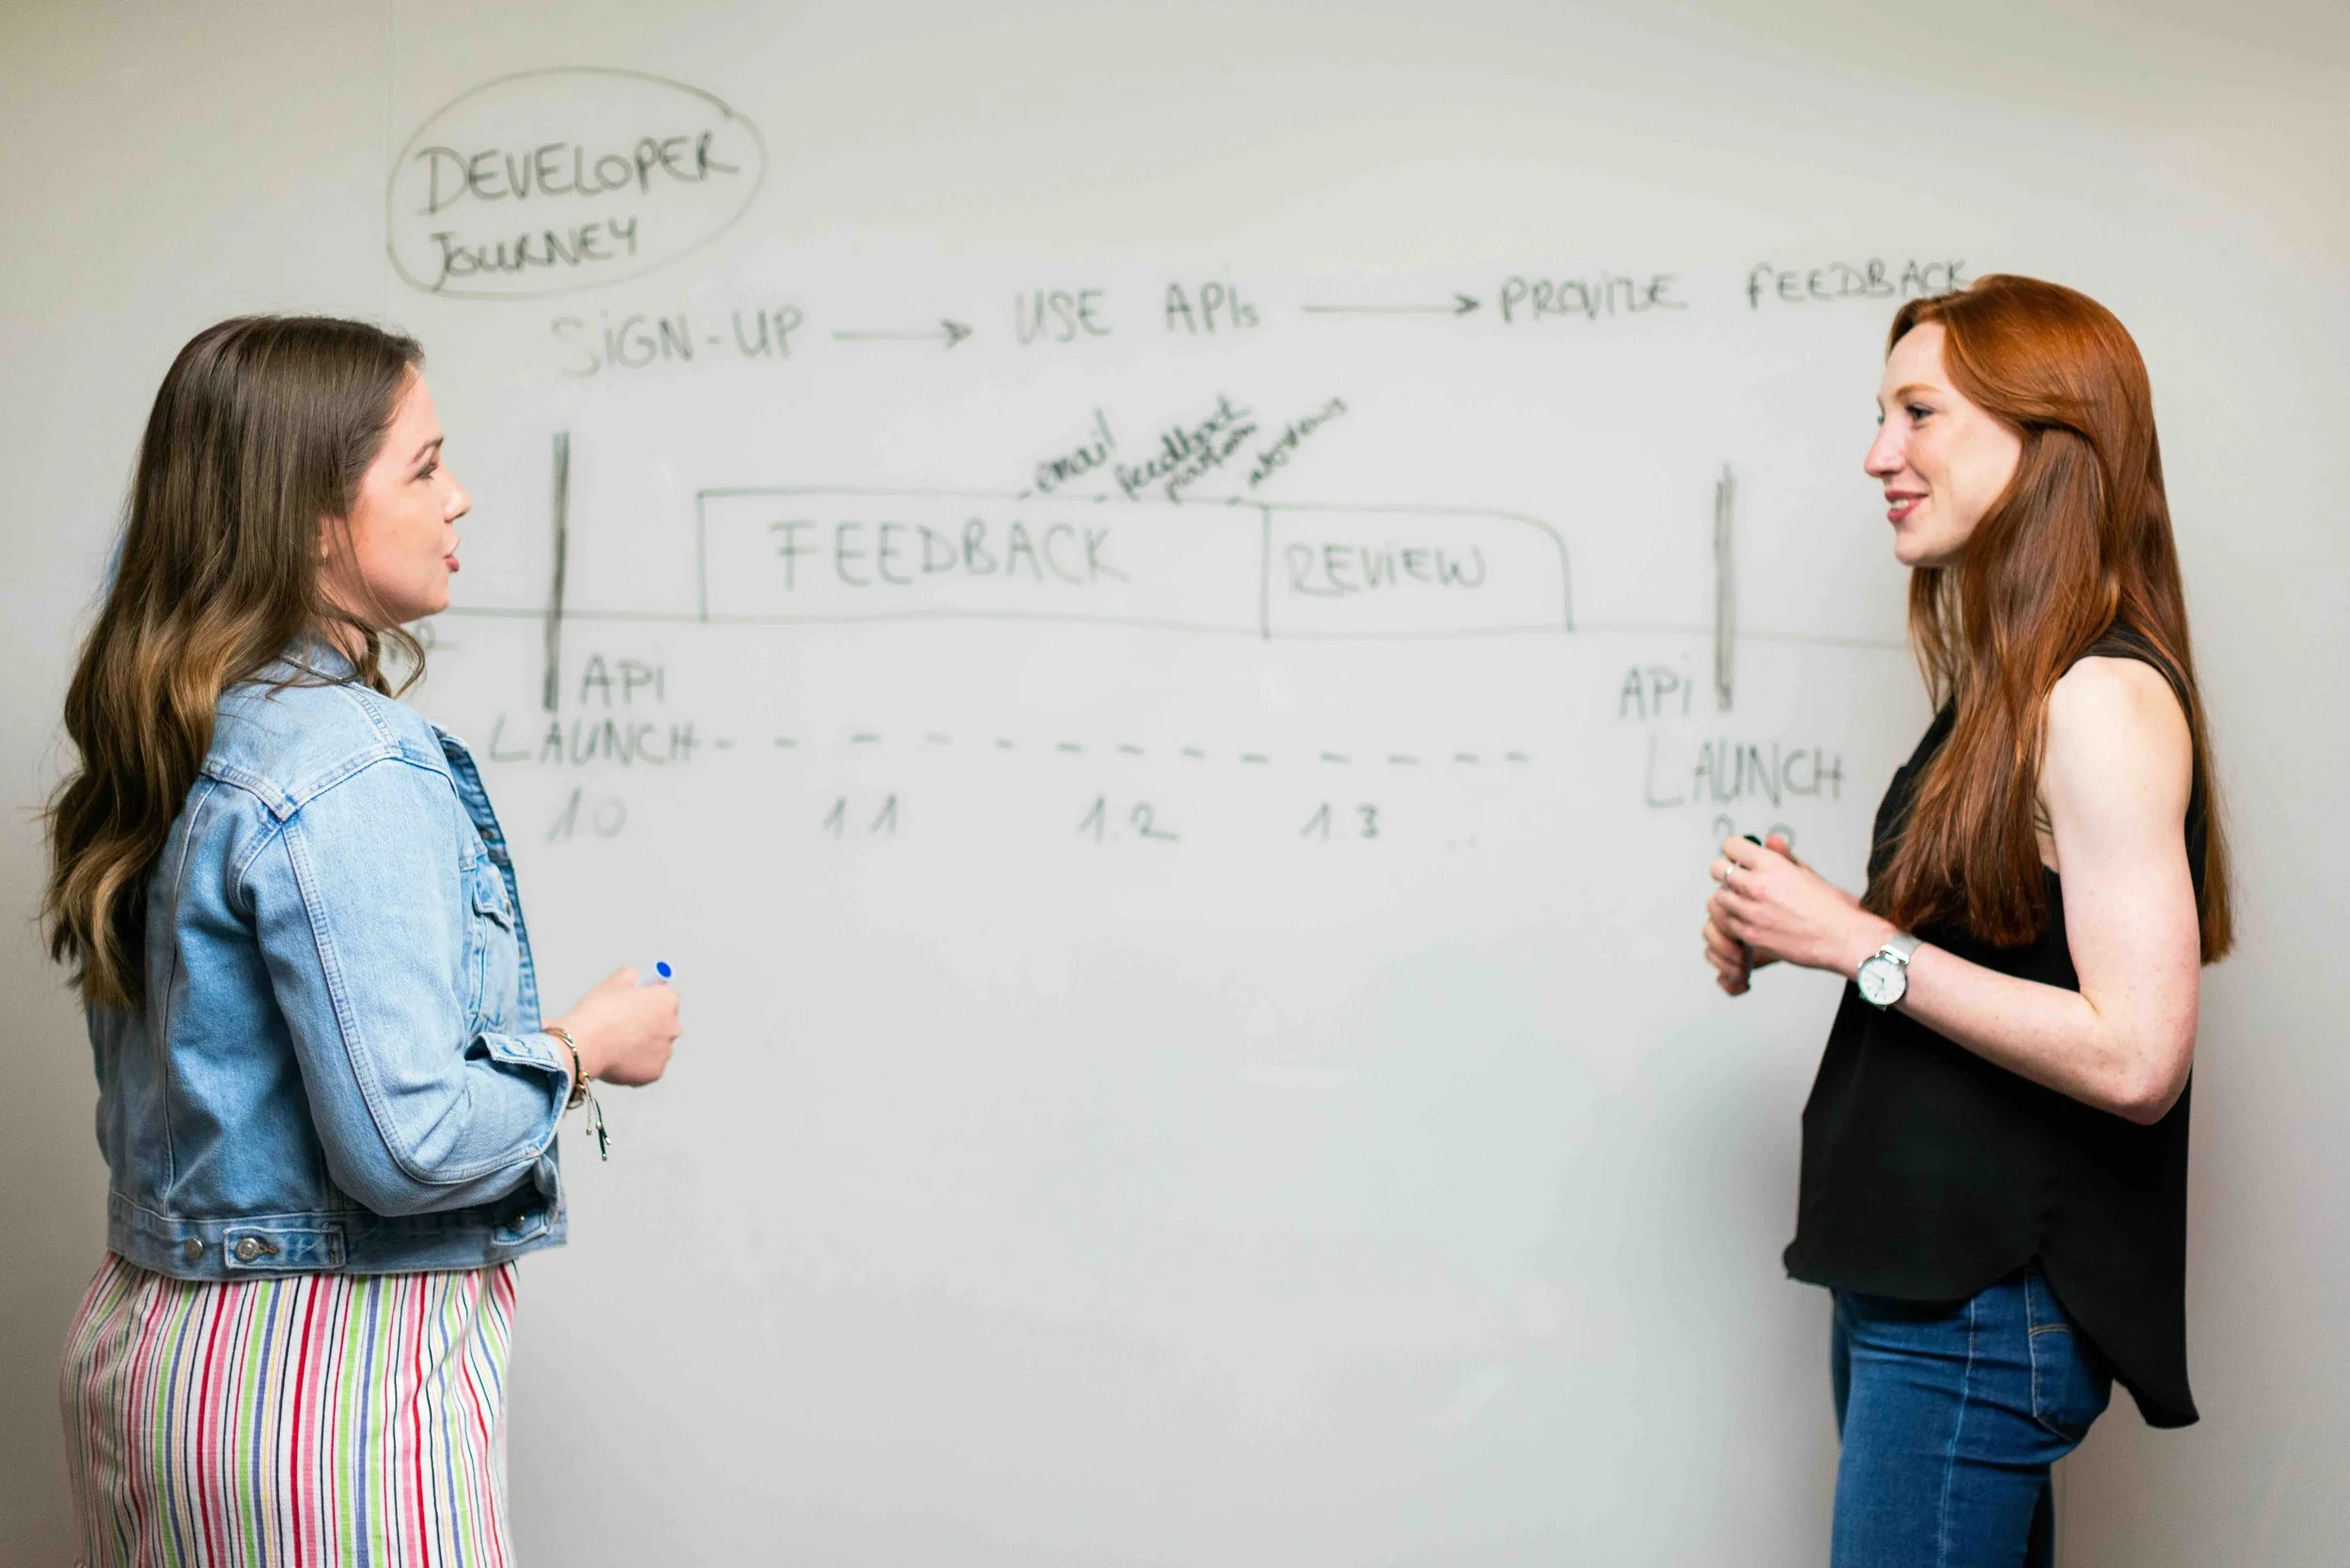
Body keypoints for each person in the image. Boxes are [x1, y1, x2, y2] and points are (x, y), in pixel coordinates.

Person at [43, 315, 682, 1564]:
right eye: (424, 465)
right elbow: (410, 1144)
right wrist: (584, 1046)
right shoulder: (349, 758)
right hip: (322, 1391)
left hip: (146, 1358)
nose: (460, 496)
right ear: (311, 519)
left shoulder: (179, 727)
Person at [1700, 275, 2230, 1565]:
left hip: (1978, 1310)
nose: (1879, 455)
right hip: (1926, 1291)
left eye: (1919, 412)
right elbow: (1985, 958)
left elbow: (2138, 1058)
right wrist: (1803, 922)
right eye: (1883, 415)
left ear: (2049, 436)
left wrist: (1852, 941)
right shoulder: (2011, 691)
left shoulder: (2099, 698)